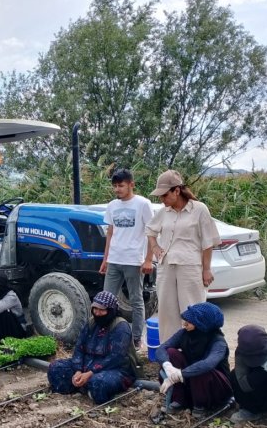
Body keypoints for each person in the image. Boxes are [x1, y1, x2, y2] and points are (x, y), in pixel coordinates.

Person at [142, 169, 221, 343]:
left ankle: (194, 351)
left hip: (190, 267)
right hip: (166, 266)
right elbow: (150, 230)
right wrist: (155, 247)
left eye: (164, 195)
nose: (161, 200)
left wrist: (206, 269)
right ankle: (169, 353)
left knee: (192, 310)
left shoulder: (199, 209)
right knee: (167, 311)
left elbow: (208, 242)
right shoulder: (164, 212)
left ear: (176, 191)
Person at [47, 291, 136, 404]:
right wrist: (78, 370)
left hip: (114, 369)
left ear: (111, 310)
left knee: (98, 382)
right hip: (87, 364)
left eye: (102, 310)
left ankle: (87, 388)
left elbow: (116, 358)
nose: (97, 313)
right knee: (56, 368)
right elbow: (79, 348)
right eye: (95, 309)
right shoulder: (91, 323)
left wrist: (90, 373)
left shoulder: (121, 327)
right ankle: (82, 387)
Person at [99, 168, 153, 349]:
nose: (117, 189)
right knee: (105, 299)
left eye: (120, 185)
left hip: (133, 259)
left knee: (136, 300)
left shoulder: (143, 204)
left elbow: (152, 233)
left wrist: (148, 260)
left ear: (131, 184)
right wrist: (105, 259)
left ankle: (137, 338)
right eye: (114, 186)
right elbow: (110, 233)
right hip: (114, 259)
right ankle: (105, 334)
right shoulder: (112, 205)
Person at [156, 302, 232, 418]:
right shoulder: (184, 333)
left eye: (190, 321)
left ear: (203, 324)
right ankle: (180, 399)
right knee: (171, 353)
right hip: (192, 380)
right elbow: (162, 349)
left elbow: (208, 364)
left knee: (200, 368)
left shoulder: (218, 342)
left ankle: (200, 406)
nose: (184, 323)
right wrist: (168, 366)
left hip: (215, 387)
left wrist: (180, 374)